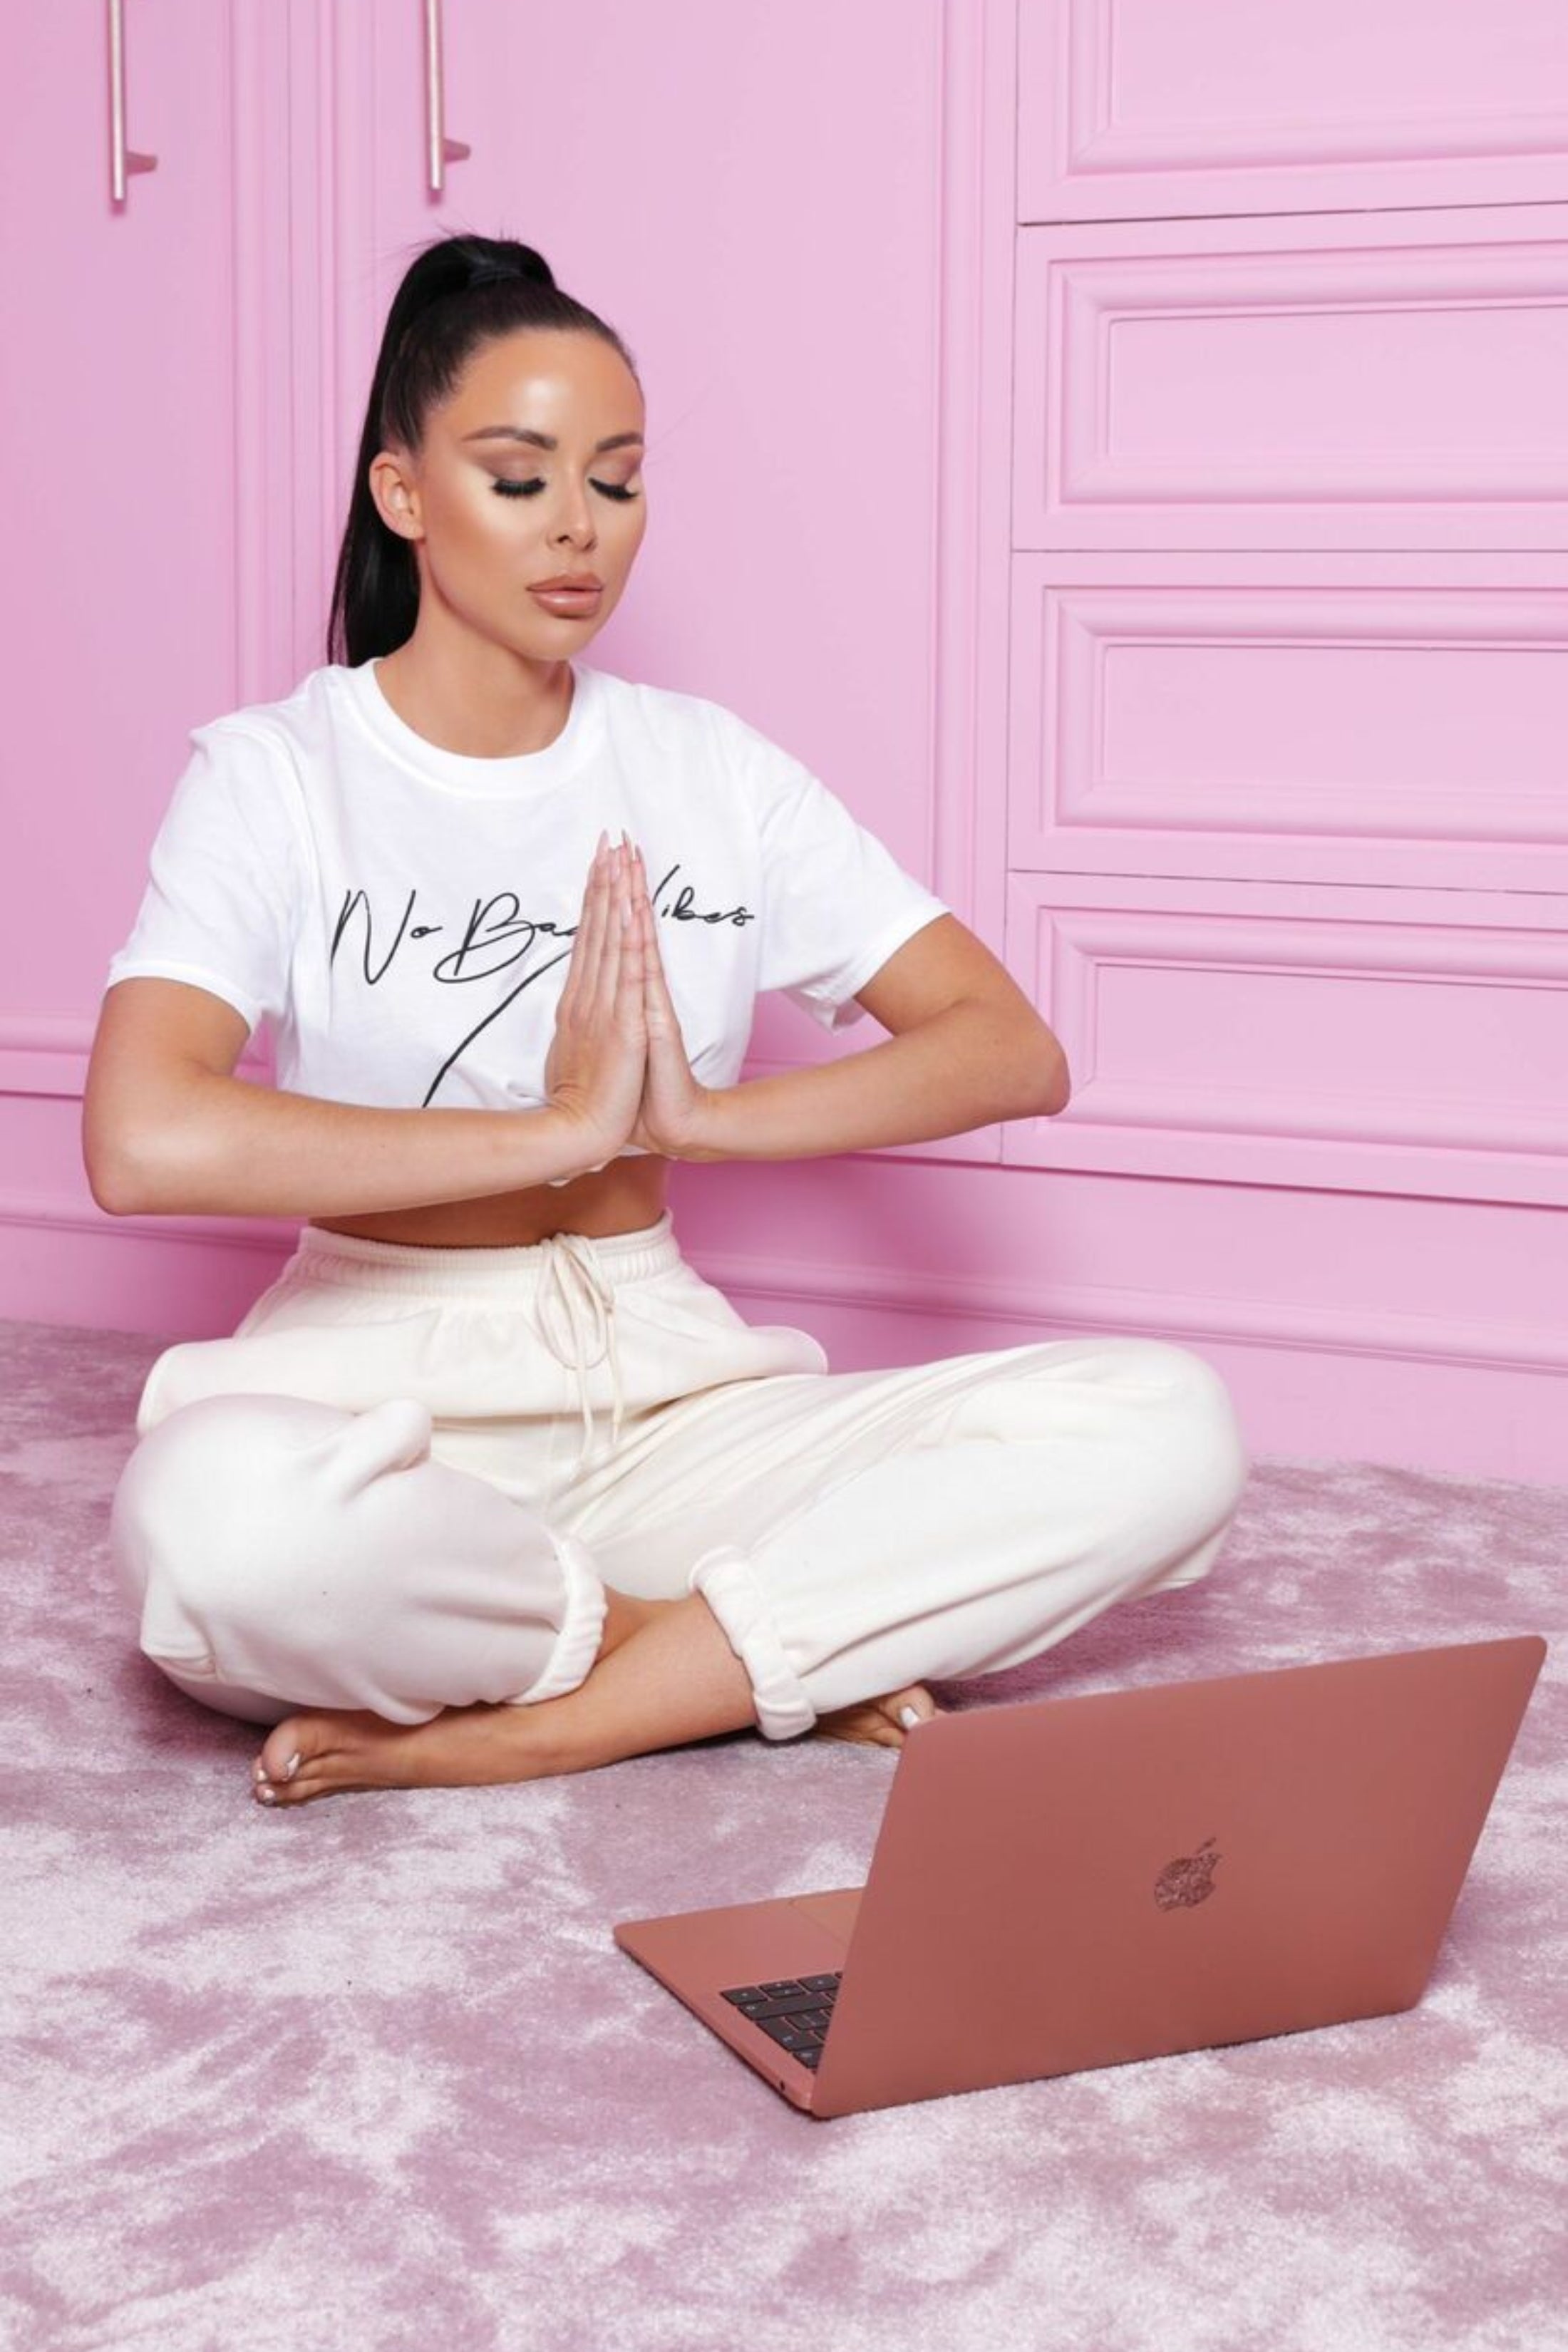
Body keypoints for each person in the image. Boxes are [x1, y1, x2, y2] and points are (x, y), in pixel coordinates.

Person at [86, 233, 1249, 1812]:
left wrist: (694, 1120)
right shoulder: (278, 773)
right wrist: (555, 1130)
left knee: (1165, 1427)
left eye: (618, 480)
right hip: (376, 1392)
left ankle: (563, 1714)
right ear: (403, 494)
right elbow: (142, 1136)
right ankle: (693, 1644)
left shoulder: (710, 768)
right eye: (520, 478)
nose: (580, 525)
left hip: (674, 1399)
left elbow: (1005, 1048)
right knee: (219, 1537)